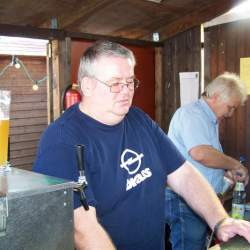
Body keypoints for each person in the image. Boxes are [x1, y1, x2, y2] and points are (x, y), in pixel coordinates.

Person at [33, 41, 250, 250]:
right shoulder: (60, 140)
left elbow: (183, 174)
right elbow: (82, 227)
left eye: (130, 82)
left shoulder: (138, 119)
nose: (127, 91)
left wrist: (220, 220)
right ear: (87, 86)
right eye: (116, 83)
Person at [165, 72, 249, 250]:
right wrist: (235, 164)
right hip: (185, 199)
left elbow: (204, 160)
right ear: (216, 96)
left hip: (198, 199)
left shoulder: (208, 120)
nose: (231, 113)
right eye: (230, 107)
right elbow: (201, 153)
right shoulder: (192, 114)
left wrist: (225, 174)